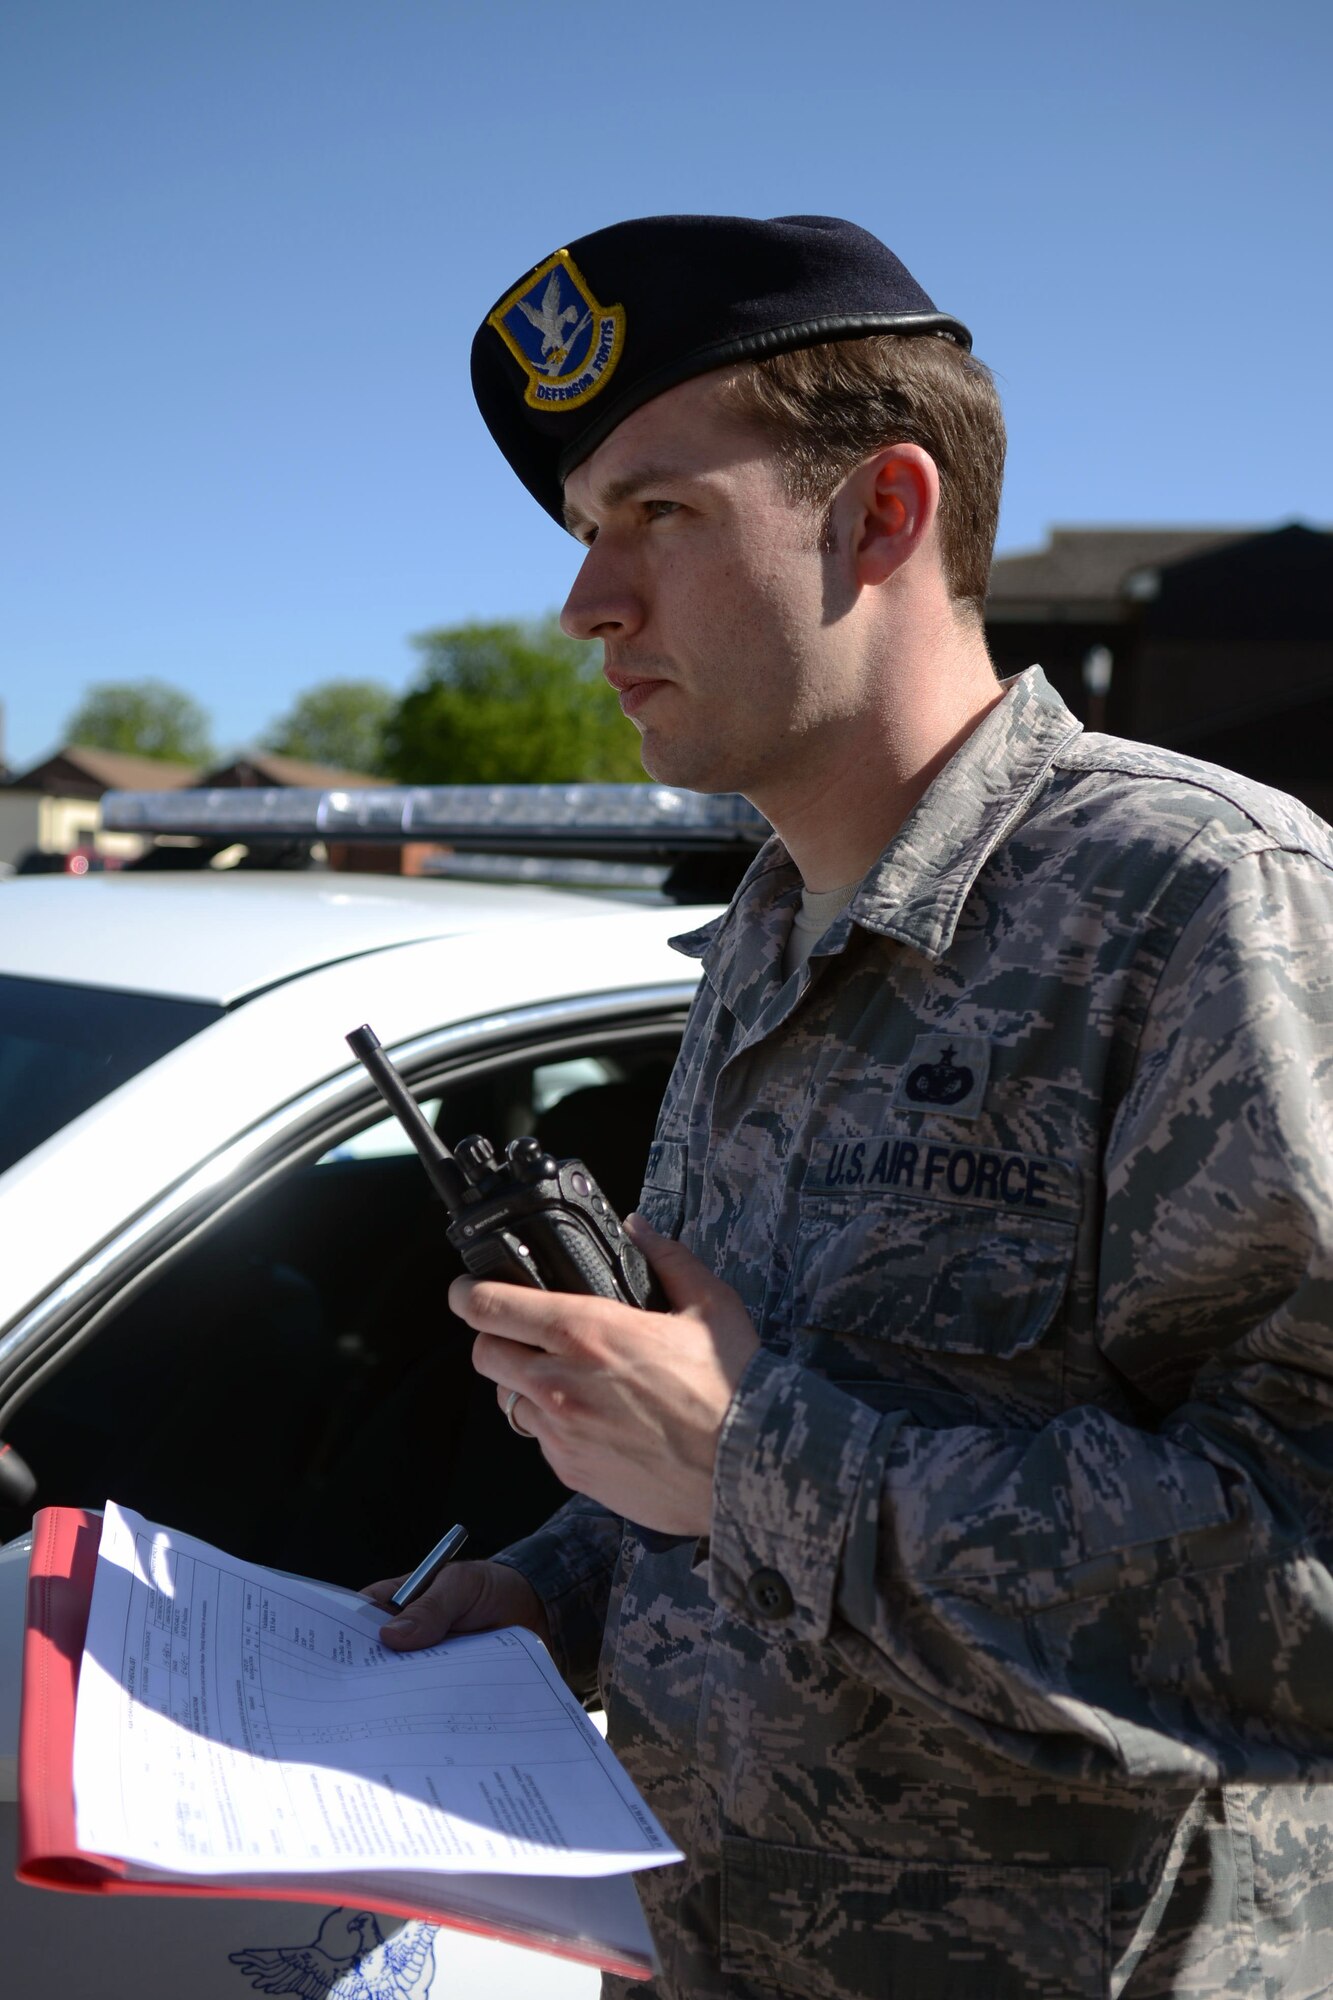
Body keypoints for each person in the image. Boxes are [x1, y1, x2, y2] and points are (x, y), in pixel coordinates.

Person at [363, 215, 1333, 1997]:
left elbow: (1310, 1575)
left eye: (658, 513)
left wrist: (749, 1465)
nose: (587, 605)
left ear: (880, 514)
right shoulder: (764, 930)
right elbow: (730, 1441)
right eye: (585, 532)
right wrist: (550, 1588)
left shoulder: (1200, 899)